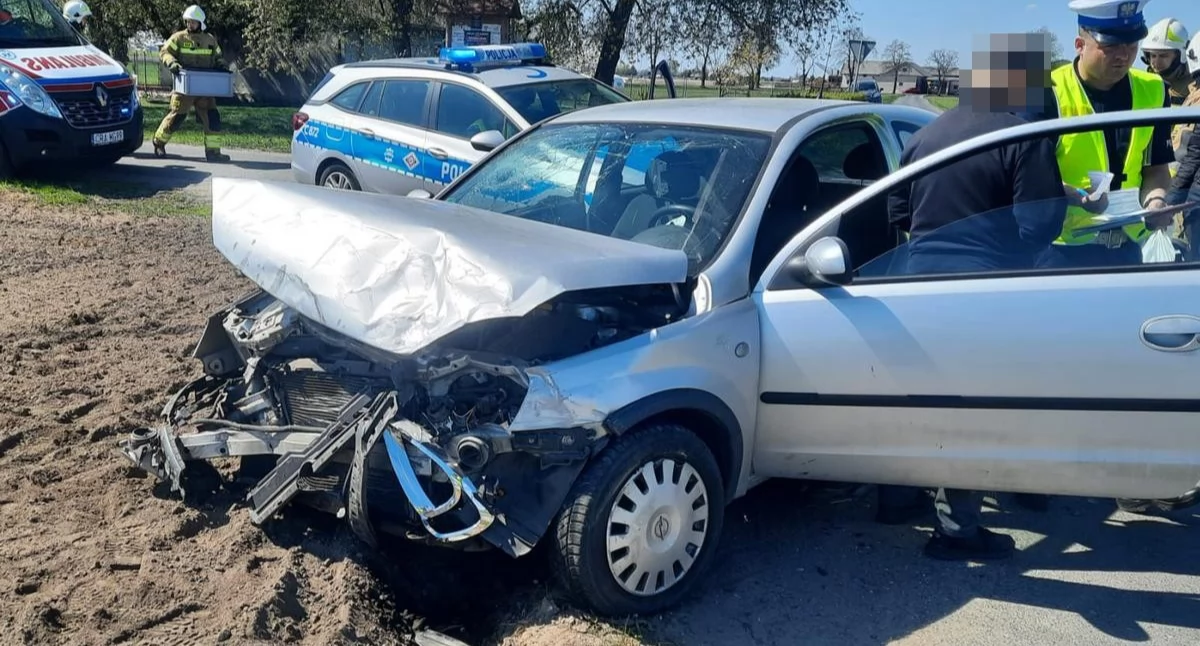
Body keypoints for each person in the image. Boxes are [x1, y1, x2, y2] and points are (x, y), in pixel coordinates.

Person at [881, 32, 1068, 561]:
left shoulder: (925, 135)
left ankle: (897, 498)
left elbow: (897, 214)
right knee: (969, 411)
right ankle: (958, 532)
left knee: (922, 400)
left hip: (917, 286)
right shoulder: (1020, 135)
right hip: (984, 291)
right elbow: (1039, 225)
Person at [1028, 0, 1176, 270]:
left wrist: (1156, 200)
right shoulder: (1046, 90)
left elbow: (1156, 168)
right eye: (1110, 47)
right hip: (1061, 253)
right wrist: (1075, 197)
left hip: (1129, 250)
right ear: (1079, 45)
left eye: (1132, 46)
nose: (1123, 56)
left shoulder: (1154, 90)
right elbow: (1024, 179)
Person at [151, 5, 231, 162]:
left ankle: (213, 153)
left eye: (193, 22)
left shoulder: (210, 40)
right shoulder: (178, 38)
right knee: (176, 118)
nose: (190, 25)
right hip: (184, 88)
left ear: (201, 23)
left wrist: (222, 65)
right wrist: (171, 63)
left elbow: (218, 56)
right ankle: (158, 143)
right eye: (188, 22)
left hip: (205, 88)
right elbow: (165, 52)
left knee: (213, 118)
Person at [1142, 17, 1194, 104]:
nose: (1156, 62)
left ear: (1180, 55)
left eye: (1163, 56)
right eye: (1153, 56)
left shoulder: (1195, 87)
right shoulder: (1143, 83)